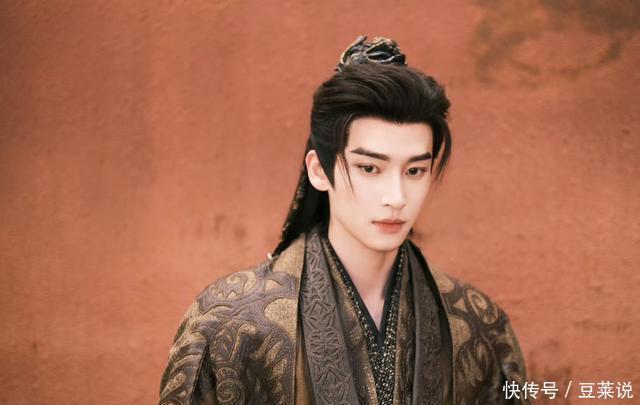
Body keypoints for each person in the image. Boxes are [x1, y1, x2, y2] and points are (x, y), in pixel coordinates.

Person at [159, 36, 530, 405]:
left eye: (415, 171)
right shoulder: (231, 323)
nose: (396, 197)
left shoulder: (478, 325)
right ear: (319, 171)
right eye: (370, 168)